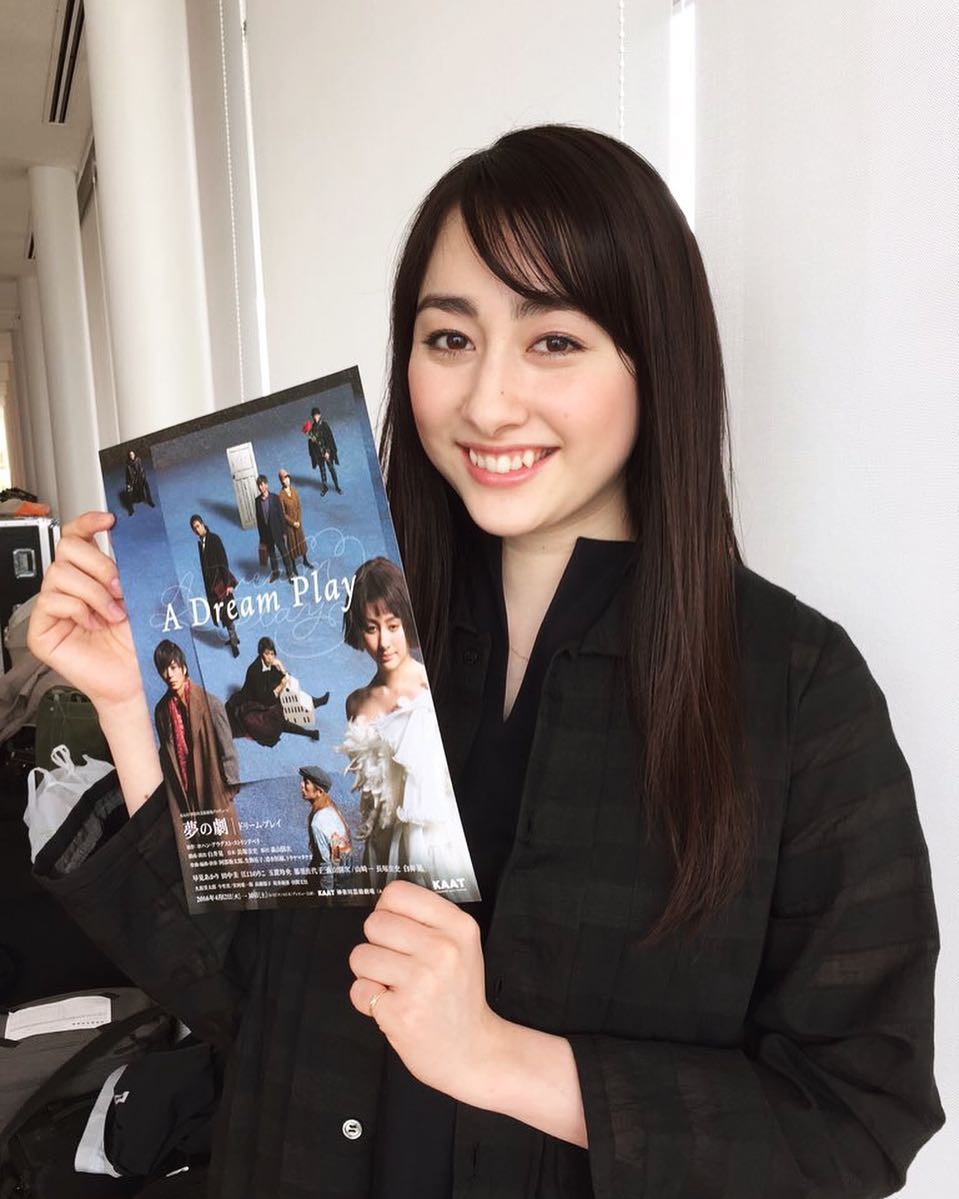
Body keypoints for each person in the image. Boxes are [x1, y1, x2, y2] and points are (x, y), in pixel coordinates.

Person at [26, 125, 942, 1199]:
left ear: (655, 361)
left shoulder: (792, 686)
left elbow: (854, 1119)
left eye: (553, 339)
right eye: (450, 338)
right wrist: (130, 702)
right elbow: (240, 993)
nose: (488, 401)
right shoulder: (348, 621)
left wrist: (500, 1058)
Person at [338, 557, 477, 893]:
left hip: (432, 843)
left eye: (393, 625)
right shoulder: (356, 703)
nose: (384, 642)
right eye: (371, 628)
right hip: (381, 844)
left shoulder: (433, 684)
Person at [151, 639, 239, 818]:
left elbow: (228, 751)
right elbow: (166, 755)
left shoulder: (211, 704)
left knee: (220, 834)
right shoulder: (162, 711)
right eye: (164, 670)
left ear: (183, 668)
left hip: (213, 792)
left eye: (173, 667)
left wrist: (227, 792)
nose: (169, 675)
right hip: (185, 796)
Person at [225, 635, 328, 747]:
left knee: (291, 691)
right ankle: (309, 733)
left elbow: (286, 680)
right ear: (261, 654)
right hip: (252, 705)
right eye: (266, 654)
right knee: (278, 721)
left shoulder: (272, 664)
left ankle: (314, 702)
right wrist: (280, 687)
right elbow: (263, 699)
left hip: (268, 694)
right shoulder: (254, 670)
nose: (270, 657)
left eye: (272, 654)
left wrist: (282, 668)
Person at [190, 514, 240, 657]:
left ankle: (234, 644)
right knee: (221, 612)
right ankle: (233, 637)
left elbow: (223, 562)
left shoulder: (214, 539)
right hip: (211, 586)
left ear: (203, 524)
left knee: (227, 613)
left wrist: (228, 584)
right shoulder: (201, 543)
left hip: (221, 583)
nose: (197, 530)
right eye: (194, 528)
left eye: (198, 526)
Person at [298, 764, 353, 892]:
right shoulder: (331, 809)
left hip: (335, 880)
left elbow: (325, 862)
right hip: (345, 873)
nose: (301, 785)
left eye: (306, 783)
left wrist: (326, 894)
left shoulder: (318, 821)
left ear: (319, 792)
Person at [253, 474, 295, 583]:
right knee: (272, 555)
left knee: (284, 553)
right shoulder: (257, 501)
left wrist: (284, 532)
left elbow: (281, 516)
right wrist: (261, 538)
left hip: (278, 532)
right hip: (266, 534)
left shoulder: (275, 498)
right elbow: (259, 521)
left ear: (267, 485)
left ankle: (290, 574)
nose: (261, 487)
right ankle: (275, 573)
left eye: (262, 484)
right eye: (259, 485)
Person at [276, 469, 314, 571]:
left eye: (287, 477)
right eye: (284, 478)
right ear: (281, 481)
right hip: (289, 525)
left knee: (301, 541)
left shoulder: (294, 491)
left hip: (298, 522)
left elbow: (298, 507)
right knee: (292, 544)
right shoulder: (281, 496)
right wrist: (293, 523)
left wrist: (298, 520)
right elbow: (283, 513)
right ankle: (293, 565)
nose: (287, 480)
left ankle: (305, 560)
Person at [305, 406, 341, 494]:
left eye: (317, 415)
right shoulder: (312, 428)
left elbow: (329, 439)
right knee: (322, 471)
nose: (315, 417)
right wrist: (312, 440)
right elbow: (311, 442)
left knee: (331, 469)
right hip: (319, 453)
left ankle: (337, 486)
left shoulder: (324, 425)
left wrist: (328, 452)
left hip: (326, 452)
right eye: (314, 415)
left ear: (320, 415)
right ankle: (325, 487)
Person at [121, 448, 155, 515]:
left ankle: (150, 500)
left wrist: (143, 477)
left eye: (133, 454)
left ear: (134, 454)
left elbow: (142, 470)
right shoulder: (128, 465)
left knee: (146, 485)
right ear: (129, 456)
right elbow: (127, 476)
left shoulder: (138, 460)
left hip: (140, 479)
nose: (132, 456)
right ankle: (130, 509)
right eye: (130, 455)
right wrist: (128, 484)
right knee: (128, 491)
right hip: (133, 481)